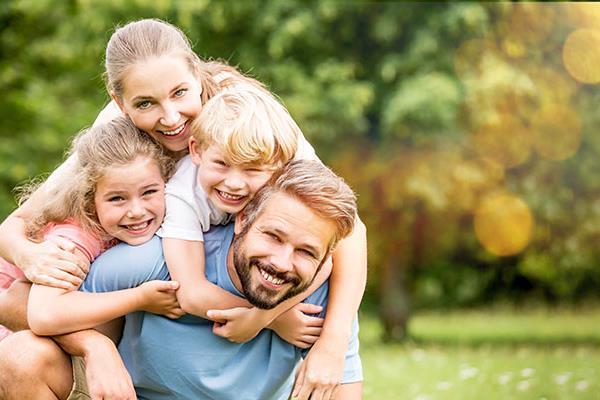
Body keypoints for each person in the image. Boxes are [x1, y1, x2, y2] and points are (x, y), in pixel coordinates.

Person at [0, 18, 368, 396]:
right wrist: (30, 256)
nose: (172, 118)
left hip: (191, 277)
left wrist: (329, 342)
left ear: (197, 73)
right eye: (145, 103)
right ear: (119, 103)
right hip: (89, 291)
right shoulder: (114, 146)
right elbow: (14, 241)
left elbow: (346, 227)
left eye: (179, 93)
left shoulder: (249, 122)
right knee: (21, 341)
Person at [0, 159, 363, 400]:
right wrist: (95, 345)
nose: (282, 263)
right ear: (242, 219)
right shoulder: (158, 257)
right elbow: (18, 304)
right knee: (22, 355)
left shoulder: (323, 297)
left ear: (327, 257)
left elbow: (343, 389)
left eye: (305, 251)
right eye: (273, 236)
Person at [0, 116, 183, 340]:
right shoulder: (75, 235)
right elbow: (45, 316)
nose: (136, 211)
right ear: (89, 201)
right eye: (117, 198)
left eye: (149, 192)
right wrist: (140, 299)